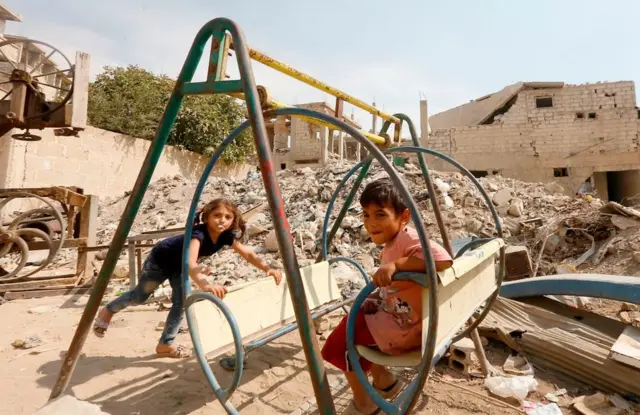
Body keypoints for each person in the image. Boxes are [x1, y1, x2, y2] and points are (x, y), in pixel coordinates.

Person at [321, 178, 453, 414]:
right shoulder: (396, 241)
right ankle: (385, 382)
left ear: (403, 217)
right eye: (365, 215)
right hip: (405, 316)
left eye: (380, 214)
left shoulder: (408, 239)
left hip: (405, 327)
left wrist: (396, 266)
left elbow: (442, 259)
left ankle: (365, 404)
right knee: (356, 316)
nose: (370, 223)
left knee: (339, 344)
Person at [93, 198, 283, 359]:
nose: (221, 221)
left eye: (227, 217)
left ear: (233, 220)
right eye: (217, 216)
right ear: (207, 217)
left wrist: (268, 268)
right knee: (139, 297)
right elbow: (190, 262)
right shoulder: (198, 234)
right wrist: (205, 284)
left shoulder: (226, 236)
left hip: (180, 267)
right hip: (160, 261)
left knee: (181, 303)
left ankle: (165, 345)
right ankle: (108, 310)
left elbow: (248, 254)